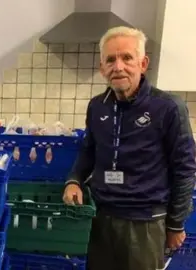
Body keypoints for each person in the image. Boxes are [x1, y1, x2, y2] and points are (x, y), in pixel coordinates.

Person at [62, 26, 196, 270]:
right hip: (100, 218)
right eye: (110, 60)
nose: (118, 66)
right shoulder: (97, 106)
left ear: (143, 63)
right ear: (102, 68)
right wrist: (73, 180)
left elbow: (185, 169)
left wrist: (176, 223)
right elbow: (88, 150)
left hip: (144, 223)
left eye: (127, 58)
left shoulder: (168, 108)